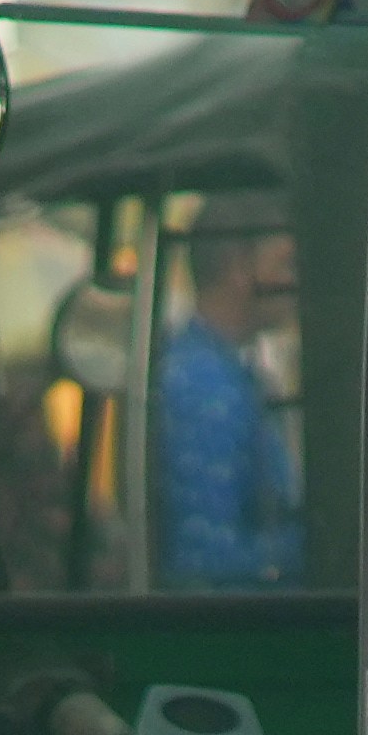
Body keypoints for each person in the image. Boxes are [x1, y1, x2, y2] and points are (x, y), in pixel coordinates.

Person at [154, 215, 303, 588]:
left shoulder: (232, 372)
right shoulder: (204, 388)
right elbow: (206, 561)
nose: (296, 281)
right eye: (286, 263)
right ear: (237, 267)